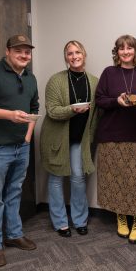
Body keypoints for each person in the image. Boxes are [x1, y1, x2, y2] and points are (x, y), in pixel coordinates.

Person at [95, 34, 136, 244]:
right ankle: (121, 217)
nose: (126, 52)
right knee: (113, 177)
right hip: (110, 133)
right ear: (117, 52)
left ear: (135, 51)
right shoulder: (108, 73)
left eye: (129, 48)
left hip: (135, 133)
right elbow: (99, 100)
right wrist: (116, 101)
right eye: (121, 48)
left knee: (133, 179)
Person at [40, 40, 98, 238]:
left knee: (78, 178)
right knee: (56, 179)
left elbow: (96, 114)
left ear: (84, 54)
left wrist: (90, 137)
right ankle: (60, 222)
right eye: (69, 53)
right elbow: (53, 111)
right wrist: (72, 109)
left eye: (77, 52)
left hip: (79, 139)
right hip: (57, 139)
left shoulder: (94, 81)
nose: (74, 56)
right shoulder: (55, 80)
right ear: (66, 57)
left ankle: (80, 220)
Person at [0, 34, 39, 267]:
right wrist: (9, 115)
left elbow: (34, 109)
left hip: (22, 147)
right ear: (8, 51)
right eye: (18, 50)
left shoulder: (31, 78)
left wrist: (28, 138)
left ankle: (14, 234)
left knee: (14, 193)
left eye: (27, 51)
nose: (23, 55)